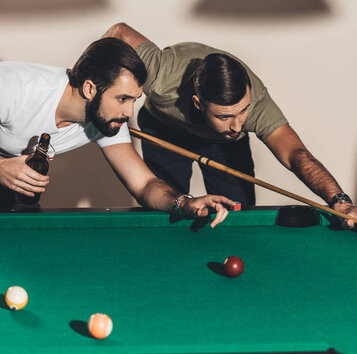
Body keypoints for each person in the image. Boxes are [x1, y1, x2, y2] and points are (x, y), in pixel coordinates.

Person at [103, 23, 357, 240]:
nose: (239, 125)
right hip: (165, 132)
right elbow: (119, 31)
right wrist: (95, 87)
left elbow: (297, 155)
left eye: (244, 111)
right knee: (170, 209)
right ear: (198, 103)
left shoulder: (255, 107)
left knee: (239, 215)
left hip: (222, 146)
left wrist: (341, 202)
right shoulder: (162, 76)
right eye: (226, 116)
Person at [0, 37, 234, 226]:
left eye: (133, 100)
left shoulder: (106, 120)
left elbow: (144, 185)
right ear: (90, 88)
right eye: (123, 98)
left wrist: (183, 202)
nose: (130, 112)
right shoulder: (15, 88)